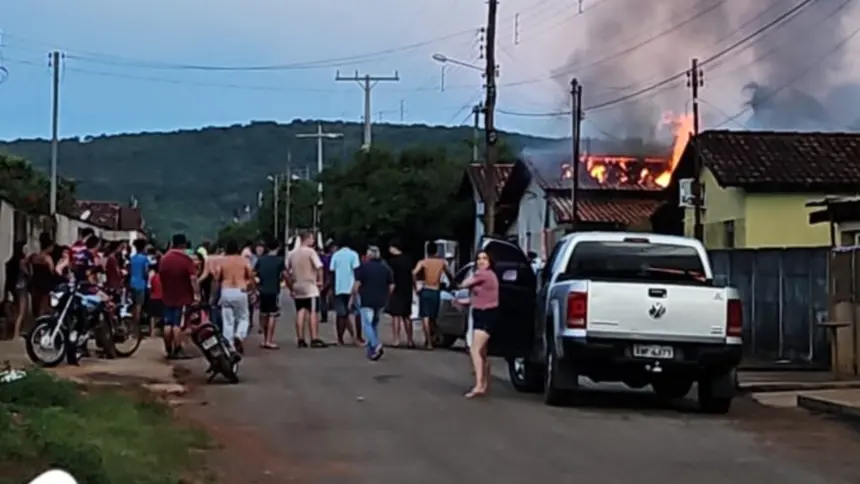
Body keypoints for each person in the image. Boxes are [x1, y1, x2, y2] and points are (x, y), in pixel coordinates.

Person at [457, 250, 499, 398]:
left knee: (474, 349)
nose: (481, 261)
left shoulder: (483, 274)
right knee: (481, 352)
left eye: (485, 258)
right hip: (483, 312)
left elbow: (463, 284)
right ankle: (484, 383)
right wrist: (464, 302)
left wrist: (468, 281)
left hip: (485, 315)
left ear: (490, 261)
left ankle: (479, 385)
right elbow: (482, 297)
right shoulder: (490, 276)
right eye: (479, 259)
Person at [159, 234, 199, 359]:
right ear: (183, 245)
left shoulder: (164, 259)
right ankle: (177, 348)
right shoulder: (186, 259)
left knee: (167, 323)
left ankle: (168, 348)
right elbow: (193, 279)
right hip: (182, 296)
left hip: (167, 295)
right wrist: (196, 294)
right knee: (178, 324)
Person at [351, 246, 393, 360]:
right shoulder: (385, 268)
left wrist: (353, 297)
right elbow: (391, 286)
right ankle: (371, 351)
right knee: (374, 324)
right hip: (380, 300)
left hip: (366, 300)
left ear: (368, 255)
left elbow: (356, 286)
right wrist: (387, 297)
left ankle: (375, 344)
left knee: (367, 324)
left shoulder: (363, 268)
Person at [212, 240, 254, 354]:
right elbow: (251, 276)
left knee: (227, 321)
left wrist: (213, 295)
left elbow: (216, 278)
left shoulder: (221, 261)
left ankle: (229, 346)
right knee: (244, 318)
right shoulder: (244, 261)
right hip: (241, 290)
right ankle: (239, 336)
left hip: (226, 291)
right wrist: (253, 290)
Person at [286, 231, 326, 348]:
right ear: (306, 239)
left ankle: (300, 339)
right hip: (310, 286)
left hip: (297, 284)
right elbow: (319, 267)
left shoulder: (292, 253)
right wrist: (320, 282)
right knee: (312, 312)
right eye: (312, 239)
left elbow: (287, 271)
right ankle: (314, 338)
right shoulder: (311, 252)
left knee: (300, 311)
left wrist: (290, 286)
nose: (313, 241)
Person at [412, 243, 453, 349]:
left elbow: (413, 273)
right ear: (436, 251)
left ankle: (428, 341)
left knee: (425, 316)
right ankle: (432, 338)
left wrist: (416, 287)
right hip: (436, 290)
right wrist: (453, 284)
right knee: (433, 317)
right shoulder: (442, 262)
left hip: (426, 289)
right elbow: (449, 274)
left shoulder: (423, 262)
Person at [254, 238, 285, 349]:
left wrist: (255, 288)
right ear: (278, 247)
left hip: (262, 290)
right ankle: (269, 340)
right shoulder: (280, 261)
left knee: (263, 313)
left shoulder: (261, 260)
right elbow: (284, 275)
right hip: (273, 290)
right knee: (272, 315)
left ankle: (264, 339)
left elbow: (254, 274)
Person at [329, 238, 361, 346]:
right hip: (351, 288)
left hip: (339, 287)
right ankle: (358, 336)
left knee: (341, 314)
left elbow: (332, 272)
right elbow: (357, 271)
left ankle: (340, 338)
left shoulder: (336, 255)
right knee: (357, 313)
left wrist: (331, 288)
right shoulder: (354, 254)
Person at [386, 239, 415, 348]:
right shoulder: (408, 259)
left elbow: (390, 278)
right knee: (407, 315)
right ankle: (410, 340)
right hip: (407, 290)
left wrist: (388, 292)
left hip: (396, 289)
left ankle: (396, 340)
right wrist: (415, 287)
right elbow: (412, 275)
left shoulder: (392, 262)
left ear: (394, 248)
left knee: (396, 316)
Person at [28, 233, 56, 319]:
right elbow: (52, 271)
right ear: (49, 246)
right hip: (45, 285)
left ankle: (37, 322)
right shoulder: (47, 258)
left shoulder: (34, 257)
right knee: (44, 305)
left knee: (36, 304)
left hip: (35, 283)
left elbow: (29, 267)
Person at [4, 242, 29, 339]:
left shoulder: (11, 262)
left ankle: (14, 332)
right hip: (22, 287)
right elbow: (26, 273)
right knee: (21, 312)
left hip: (14, 288)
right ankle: (16, 334)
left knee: (16, 310)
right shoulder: (21, 261)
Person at [128, 239, 150, 329]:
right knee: (139, 306)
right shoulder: (144, 259)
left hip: (132, 283)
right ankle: (136, 327)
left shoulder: (132, 258)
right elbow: (146, 272)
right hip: (141, 284)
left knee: (134, 304)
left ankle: (132, 325)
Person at [147, 262, 163, 337]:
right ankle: (162, 331)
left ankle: (152, 332)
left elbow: (150, 288)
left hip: (153, 297)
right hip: (162, 298)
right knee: (163, 315)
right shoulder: (164, 277)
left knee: (152, 316)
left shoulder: (153, 277)